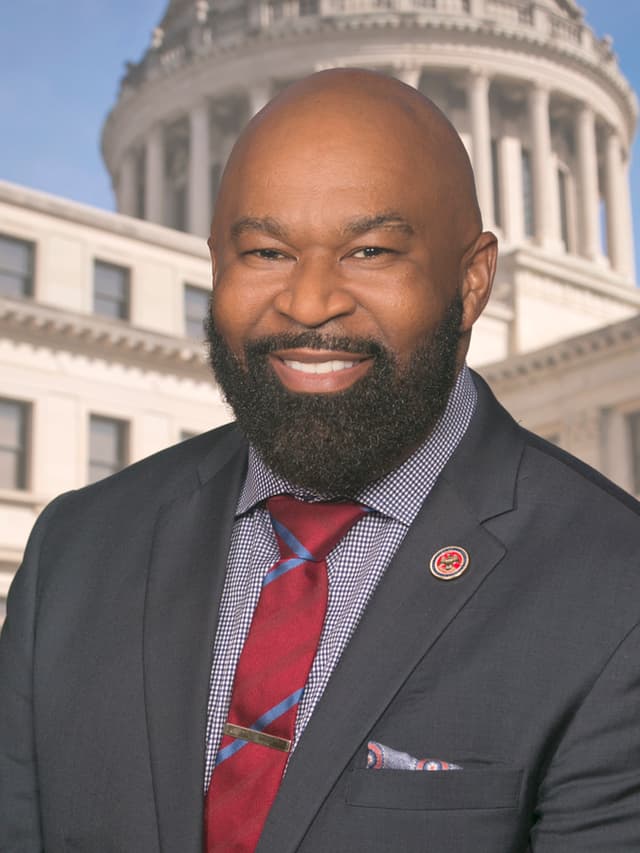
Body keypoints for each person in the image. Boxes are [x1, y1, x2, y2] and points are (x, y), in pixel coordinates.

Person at [1, 68, 640, 853]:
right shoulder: (75, 552)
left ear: (472, 281)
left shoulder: (617, 588)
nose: (308, 303)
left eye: (370, 250)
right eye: (266, 251)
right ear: (214, 262)